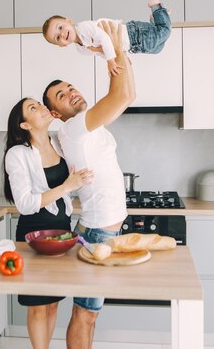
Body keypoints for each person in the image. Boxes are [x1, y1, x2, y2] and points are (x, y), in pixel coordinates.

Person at [42, 21, 135, 349]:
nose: (72, 92)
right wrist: (115, 48)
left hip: (103, 230)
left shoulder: (83, 126)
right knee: (86, 312)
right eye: (62, 95)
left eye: (70, 86)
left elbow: (129, 94)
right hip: (98, 232)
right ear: (55, 112)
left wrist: (117, 50)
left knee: (89, 312)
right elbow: (123, 94)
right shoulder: (74, 128)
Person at [3, 97, 94, 349]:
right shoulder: (17, 154)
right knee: (37, 307)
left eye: (40, 104)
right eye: (33, 108)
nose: (41, 108)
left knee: (52, 301)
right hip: (34, 235)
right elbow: (24, 204)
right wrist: (67, 185)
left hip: (61, 233)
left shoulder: (59, 143)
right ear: (24, 125)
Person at [42, 0, 171, 76]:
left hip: (133, 34)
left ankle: (156, 7)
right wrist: (122, 55)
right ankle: (154, 21)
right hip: (131, 46)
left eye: (60, 27)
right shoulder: (81, 50)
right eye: (58, 38)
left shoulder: (84, 27)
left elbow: (105, 39)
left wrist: (111, 61)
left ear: (69, 21)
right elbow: (101, 52)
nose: (62, 34)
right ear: (61, 46)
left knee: (165, 31)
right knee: (158, 48)